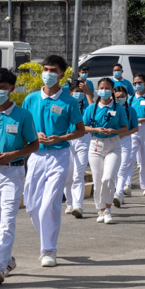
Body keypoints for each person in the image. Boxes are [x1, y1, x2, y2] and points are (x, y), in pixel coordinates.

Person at [22, 55, 85, 267]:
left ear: (61, 74)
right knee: (32, 205)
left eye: (52, 70)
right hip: (36, 155)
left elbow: (80, 130)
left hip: (59, 155)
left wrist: (61, 137)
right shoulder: (31, 99)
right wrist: (33, 135)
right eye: (45, 69)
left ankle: (49, 249)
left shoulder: (69, 101)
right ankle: (46, 237)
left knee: (49, 204)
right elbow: (23, 128)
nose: (47, 74)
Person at [0, 68, 38, 284]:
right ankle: (7, 259)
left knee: (8, 218)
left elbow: (34, 144)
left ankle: (0, 266)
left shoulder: (23, 115)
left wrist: (13, 154)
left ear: (11, 89)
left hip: (14, 170)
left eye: (2, 88)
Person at [83, 78, 128, 224]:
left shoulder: (118, 108)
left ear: (112, 90)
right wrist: (96, 129)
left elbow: (125, 128)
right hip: (95, 145)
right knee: (97, 179)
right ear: (97, 89)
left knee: (108, 178)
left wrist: (113, 131)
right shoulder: (92, 108)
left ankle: (108, 209)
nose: (104, 90)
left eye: (107, 87)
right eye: (101, 87)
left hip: (113, 145)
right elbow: (83, 127)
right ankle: (100, 209)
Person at [64, 79, 94, 218]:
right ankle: (69, 203)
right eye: (77, 92)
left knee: (78, 174)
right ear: (70, 93)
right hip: (67, 140)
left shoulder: (88, 106)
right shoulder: (66, 105)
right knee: (68, 175)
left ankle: (78, 205)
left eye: (81, 92)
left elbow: (94, 111)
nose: (79, 94)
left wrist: (88, 94)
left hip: (83, 140)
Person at [113, 86, 139, 207]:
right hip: (111, 142)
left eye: (122, 96)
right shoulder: (110, 110)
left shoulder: (131, 110)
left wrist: (124, 133)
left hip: (125, 142)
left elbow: (136, 127)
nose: (120, 99)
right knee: (113, 170)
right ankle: (116, 193)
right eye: (117, 97)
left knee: (122, 169)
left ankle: (118, 194)